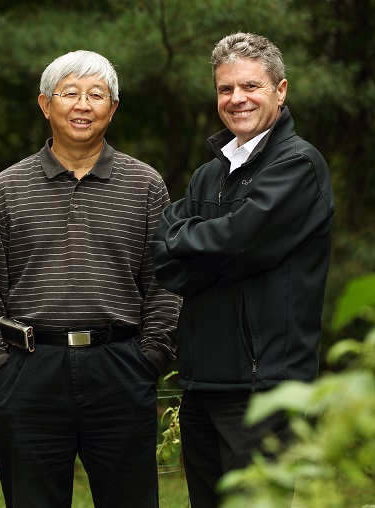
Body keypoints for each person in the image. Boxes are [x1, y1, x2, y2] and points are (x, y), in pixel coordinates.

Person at [0, 50, 181, 508]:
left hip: (120, 368)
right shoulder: (7, 187)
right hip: (29, 371)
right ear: (46, 104)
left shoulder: (145, 185)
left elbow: (165, 284)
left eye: (96, 95)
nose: (83, 105)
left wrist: (149, 360)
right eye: (70, 93)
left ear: (113, 108)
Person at [151, 32, 335, 507]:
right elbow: (167, 258)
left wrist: (198, 242)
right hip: (200, 382)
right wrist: (209, 246)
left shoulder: (299, 165)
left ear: (281, 91)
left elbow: (239, 240)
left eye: (250, 86)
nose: (236, 99)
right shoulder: (208, 174)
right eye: (224, 89)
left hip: (264, 387)